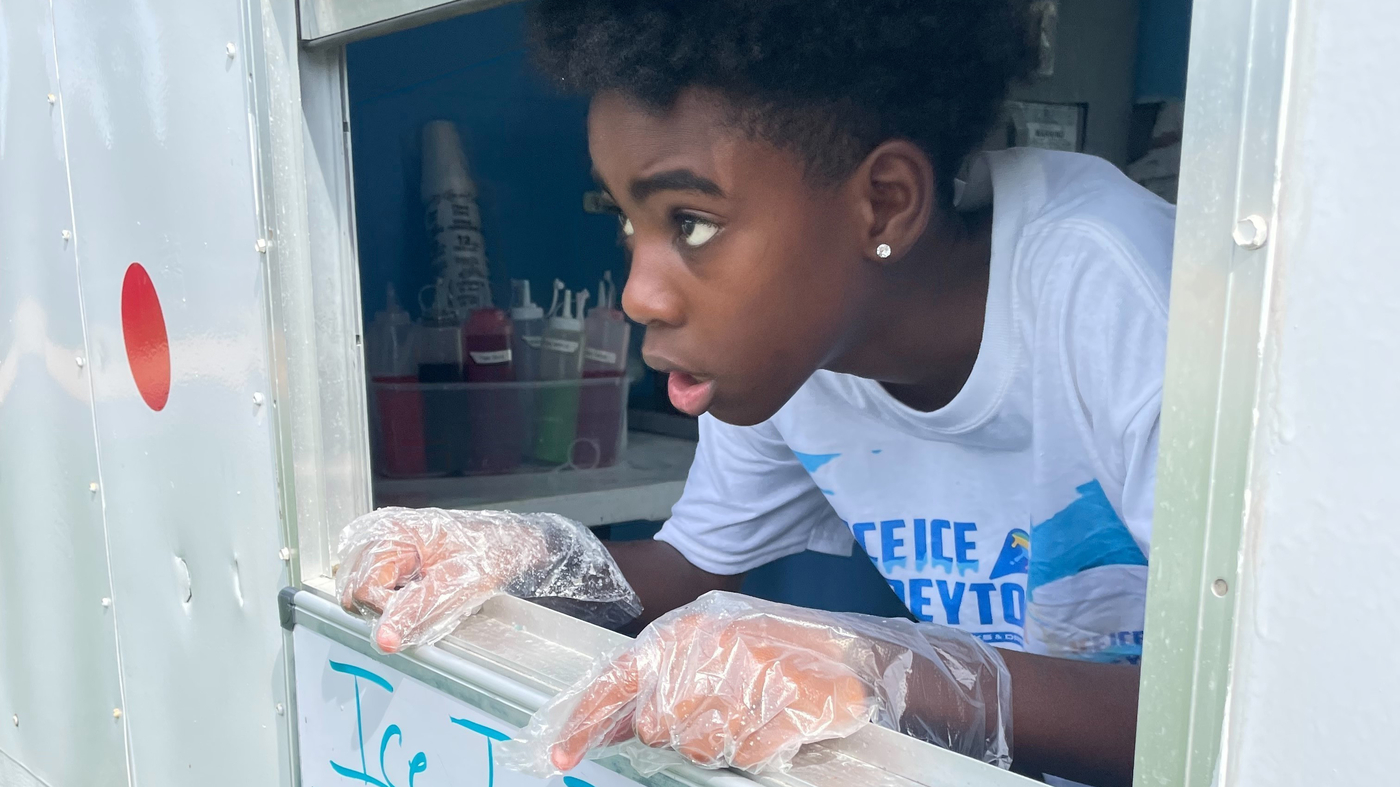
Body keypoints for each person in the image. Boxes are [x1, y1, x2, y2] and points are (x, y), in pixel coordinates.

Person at [339, 2, 1172, 785]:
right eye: (627, 219)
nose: (636, 295)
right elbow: (690, 563)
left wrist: (879, 668)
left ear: (883, 203)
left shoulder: (1117, 296)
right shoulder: (794, 347)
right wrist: (526, 559)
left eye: (691, 222)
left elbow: (1243, 699)